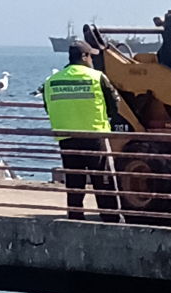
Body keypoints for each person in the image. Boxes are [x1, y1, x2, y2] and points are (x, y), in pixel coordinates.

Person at [43, 41, 122, 222]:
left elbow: (47, 107)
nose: (92, 60)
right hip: (94, 135)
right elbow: (114, 104)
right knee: (102, 179)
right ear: (84, 57)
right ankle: (110, 218)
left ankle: (75, 216)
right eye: (91, 56)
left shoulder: (51, 81)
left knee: (74, 180)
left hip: (66, 137)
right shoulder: (97, 77)